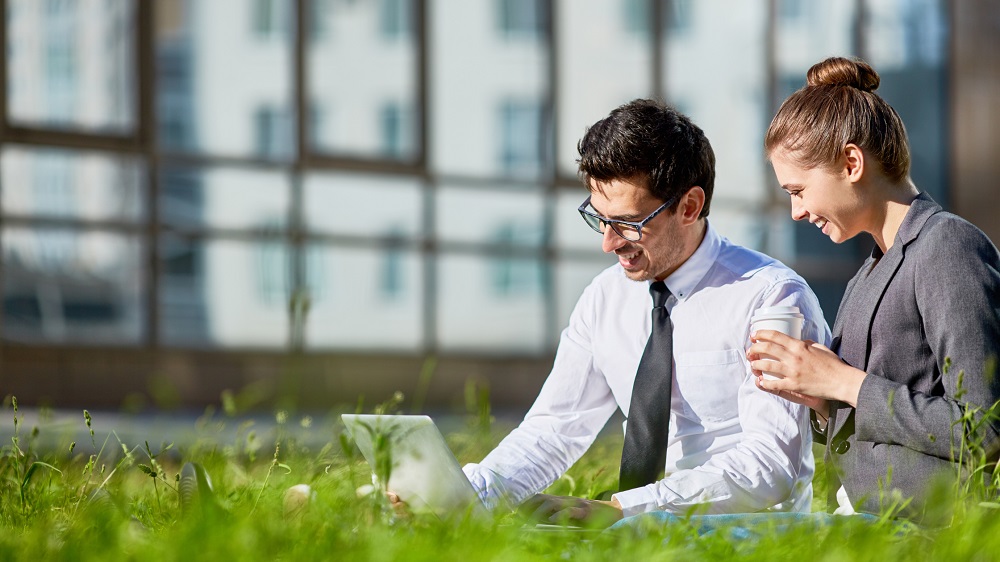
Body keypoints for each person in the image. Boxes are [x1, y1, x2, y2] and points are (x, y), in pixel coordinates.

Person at [461, 99, 831, 527]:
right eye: (599, 219)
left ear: (690, 206)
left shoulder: (770, 297)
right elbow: (555, 427)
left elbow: (771, 466)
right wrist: (470, 494)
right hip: (626, 524)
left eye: (629, 223)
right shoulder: (604, 297)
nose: (608, 243)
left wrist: (625, 509)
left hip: (742, 532)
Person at [748, 56, 1000, 523]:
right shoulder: (868, 271)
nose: (795, 212)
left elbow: (983, 430)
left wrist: (844, 382)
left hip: (917, 531)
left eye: (798, 190)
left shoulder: (947, 246)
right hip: (854, 521)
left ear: (850, 162)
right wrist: (821, 399)